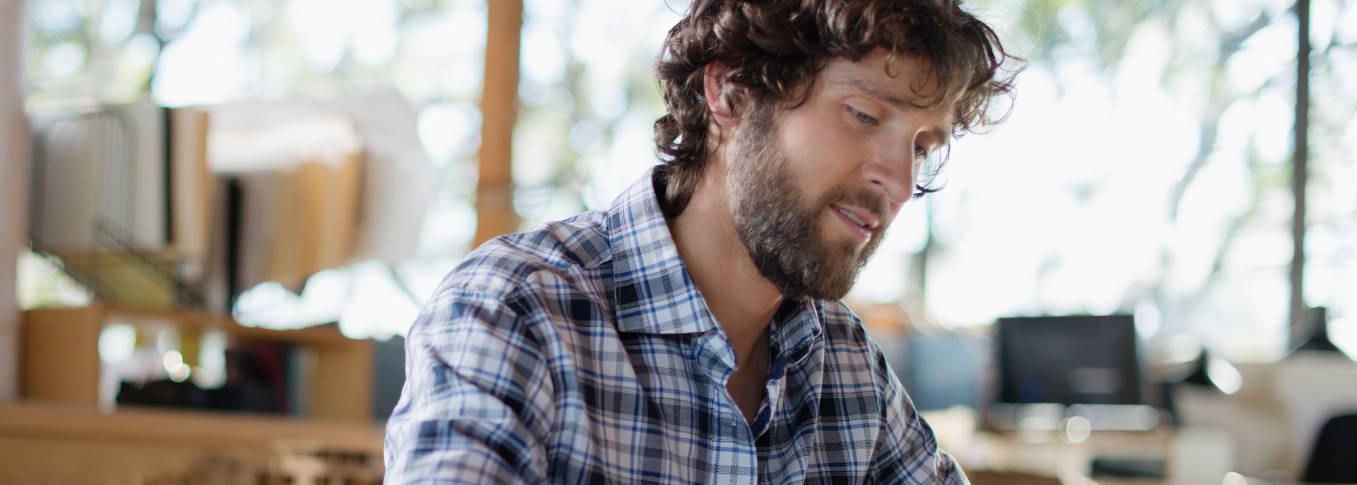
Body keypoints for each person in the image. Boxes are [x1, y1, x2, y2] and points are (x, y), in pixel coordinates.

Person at [385, 0, 1018, 482]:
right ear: (732, 92)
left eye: (922, 148)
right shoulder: (515, 311)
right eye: (864, 115)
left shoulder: (849, 369)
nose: (900, 183)